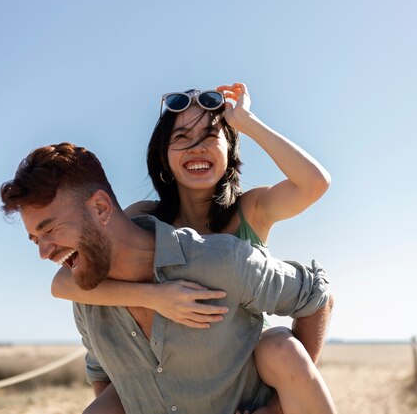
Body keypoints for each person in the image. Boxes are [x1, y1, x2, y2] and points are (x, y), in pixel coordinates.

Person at [50, 83, 334, 413]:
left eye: (210, 136)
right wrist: (156, 297)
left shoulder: (252, 209)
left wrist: (246, 121)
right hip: (177, 362)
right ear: (163, 157)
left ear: (230, 149)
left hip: (248, 359)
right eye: (181, 138)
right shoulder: (144, 218)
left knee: (281, 348)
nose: (196, 148)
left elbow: (315, 184)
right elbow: (65, 282)